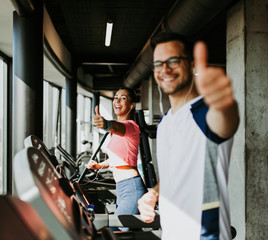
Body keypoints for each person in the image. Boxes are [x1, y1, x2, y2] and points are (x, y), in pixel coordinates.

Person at [137, 32, 240, 239]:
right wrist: (154, 193)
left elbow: (225, 121)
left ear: (192, 65)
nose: (164, 69)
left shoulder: (206, 113)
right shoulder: (166, 122)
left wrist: (224, 103)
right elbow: (174, 174)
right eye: (158, 64)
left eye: (173, 61)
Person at [87, 87, 147, 231]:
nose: (117, 101)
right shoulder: (117, 133)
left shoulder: (131, 126)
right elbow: (118, 158)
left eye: (123, 98)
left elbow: (116, 126)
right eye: (115, 97)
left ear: (132, 105)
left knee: (115, 231)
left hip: (131, 188)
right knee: (121, 231)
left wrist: (106, 124)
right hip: (122, 187)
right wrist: (99, 166)